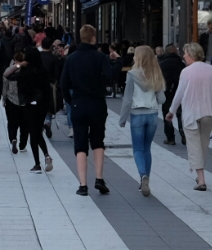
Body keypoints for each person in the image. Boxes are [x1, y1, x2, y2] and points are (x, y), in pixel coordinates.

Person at [59, 24, 120, 197]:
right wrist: (118, 61)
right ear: (93, 38)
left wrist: (70, 101)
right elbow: (111, 75)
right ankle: (99, 178)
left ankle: (83, 184)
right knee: (98, 140)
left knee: (80, 143)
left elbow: (63, 84)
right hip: (97, 103)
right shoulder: (100, 57)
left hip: (78, 104)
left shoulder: (71, 58)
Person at [168, 41, 212, 193]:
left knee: (193, 146)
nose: (184, 57)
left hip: (191, 113)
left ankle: (201, 179)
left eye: (185, 54)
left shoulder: (186, 72)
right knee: (203, 144)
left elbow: (179, 94)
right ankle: (200, 175)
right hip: (209, 112)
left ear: (191, 55)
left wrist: (172, 111)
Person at [125, 45, 166, 198]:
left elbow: (127, 98)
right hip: (152, 114)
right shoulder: (156, 73)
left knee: (137, 149)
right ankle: (146, 179)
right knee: (147, 149)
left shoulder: (131, 74)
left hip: (137, 114)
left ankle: (143, 175)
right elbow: (162, 98)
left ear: (139, 57)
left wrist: (122, 119)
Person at [157, 43, 185, 147]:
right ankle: (183, 131)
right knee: (180, 113)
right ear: (175, 51)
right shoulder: (181, 63)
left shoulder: (161, 64)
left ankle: (170, 138)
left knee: (167, 113)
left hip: (166, 91)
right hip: (180, 91)